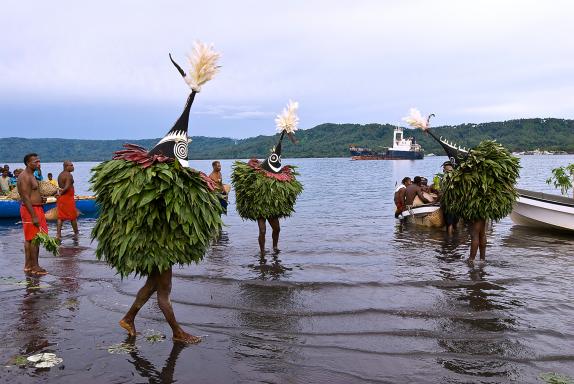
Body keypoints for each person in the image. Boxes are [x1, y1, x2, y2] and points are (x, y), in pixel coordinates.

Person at [91, 45, 223, 344]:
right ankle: (177, 332)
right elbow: (161, 210)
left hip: (156, 247)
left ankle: (128, 318)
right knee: (163, 290)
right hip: (157, 248)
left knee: (153, 286)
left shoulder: (161, 187)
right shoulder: (154, 187)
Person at [231, 101, 303, 256]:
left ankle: (275, 248)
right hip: (259, 207)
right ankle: (263, 251)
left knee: (277, 228)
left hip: (270, 208)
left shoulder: (277, 178)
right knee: (262, 230)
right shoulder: (258, 173)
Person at [17, 153, 48, 275]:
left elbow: (32, 194)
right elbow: (25, 197)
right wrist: (34, 216)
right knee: (35, 238)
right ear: (28, 163)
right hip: (31, 210)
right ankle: (35, 267)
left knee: (30, 239)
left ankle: (28, 265)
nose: (39, 164)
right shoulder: (24, 176)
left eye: (39, 161)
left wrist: (41, 199)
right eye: (36, 162)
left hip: (35, 208)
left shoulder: (31, 175)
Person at [56, 161, 79, 240]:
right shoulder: (68, 175)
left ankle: (58, 235)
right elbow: (67, 187)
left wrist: (59, 194)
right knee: (73, 217)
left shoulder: (60, 174)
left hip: (62, 198)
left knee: (60, 217)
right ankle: (76, 233)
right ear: (66, 166)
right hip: (67, 198)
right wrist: (62, 193)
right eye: (71, 165)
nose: (73, 167)